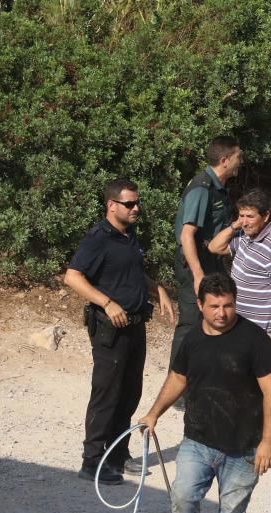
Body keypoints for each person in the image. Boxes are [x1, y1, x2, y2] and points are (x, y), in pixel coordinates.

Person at [138, 272, 271, 513]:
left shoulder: (254, 339)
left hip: (245, 447)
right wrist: (153, 413)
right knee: (182, 497)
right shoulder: (191, 339)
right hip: (198, 440)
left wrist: (269, 441)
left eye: (228, 305)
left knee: (231, 511)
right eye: (215, 306)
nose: (222, 313)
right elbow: (178, 378)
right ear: (200, 305)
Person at [64, 178, 175, 484]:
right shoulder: (98, 238)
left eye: (137, 203)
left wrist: (157, 289)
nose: (136, 208)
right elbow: (73, 277)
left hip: (135, 326)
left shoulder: (128, 236)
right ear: (111, 206)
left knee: (129, 393)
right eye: (130, 204)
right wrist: (106, 302)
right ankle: (93, 461)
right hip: (109, 330)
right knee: (107, 393)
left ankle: (118, 453)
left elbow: (133, 272)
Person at [170, 136, 243, 365]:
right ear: (224, 160)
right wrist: (198, 274)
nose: (240, 161)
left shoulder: (218, 188)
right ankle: (179, 387)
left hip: (211, 262)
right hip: (196, 265)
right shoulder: (202, 188)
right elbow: (186, 234)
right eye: (238, 156)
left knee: (215, 318)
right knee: (191, 324)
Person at [207, 188, 271, 353]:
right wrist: (235, 224)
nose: (244, 222)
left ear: (265, 216)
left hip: (260, 334)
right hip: (238, 326)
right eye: (241, 215)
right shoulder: (246, 236)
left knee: (260, 379)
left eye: (250, 216)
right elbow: (214, 247)